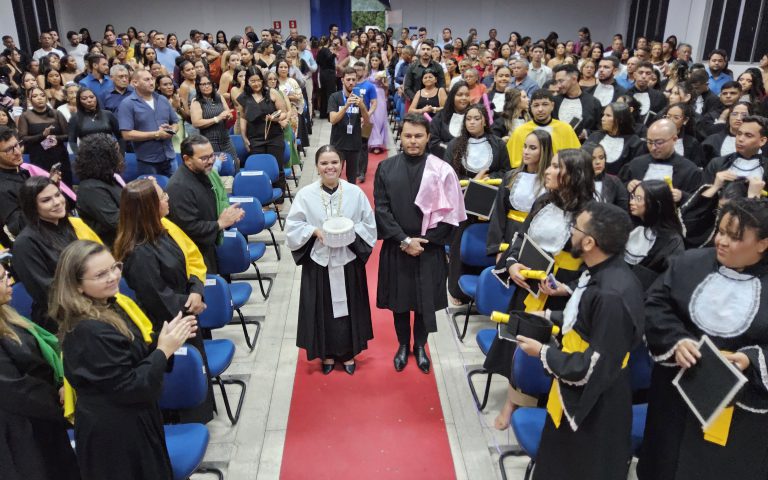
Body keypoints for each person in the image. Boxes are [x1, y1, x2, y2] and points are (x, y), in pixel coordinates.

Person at [639, 198, 768, 479]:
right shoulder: (689, 262)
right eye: (720, 231)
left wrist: (750, 358)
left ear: (762, 243)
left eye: (734, 237)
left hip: (738, 408)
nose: (722, 241)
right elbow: (655, 304)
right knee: (665, 463)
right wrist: (676, 340)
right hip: (676, 394)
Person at [515, 201, 643, 480]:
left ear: (589, 242)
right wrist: (549, 316)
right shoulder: (601, 272)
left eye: (575, 227)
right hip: (575, 390)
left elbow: (594, 366)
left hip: (594, 406)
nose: (570, 231)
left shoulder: (612, 294)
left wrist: (542, 352)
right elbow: (586, 321)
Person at [52, 240, 196, 480]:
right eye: (101, 274)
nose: (112, 277)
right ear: (77, 285)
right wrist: (163, 350)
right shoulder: (88, 330)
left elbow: (133, 355)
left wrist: (162, 341)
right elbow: (130, 385)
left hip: (133, 419)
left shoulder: (110, 305)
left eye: (114, 267)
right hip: (114, 434)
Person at [485, 148, 594, 430]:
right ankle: (513, 401)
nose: (548, 170)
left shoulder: (591, 213)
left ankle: (548, 404)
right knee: (520, 345)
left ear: (574, 175)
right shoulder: (544, 200)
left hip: (562, 296)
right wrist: (512, 264)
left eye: (556, 167)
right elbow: (521, 238)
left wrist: (567, 288)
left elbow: (597, 266)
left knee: (552, 351)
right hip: (530, 285)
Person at [374, 113, 465, 373]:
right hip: (397, 246)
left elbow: (451, 214)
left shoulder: (442, 169)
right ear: (401, 137)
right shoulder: (386, 168)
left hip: (429, 248)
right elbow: (381, 209)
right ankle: (403, 345)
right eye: (408, 136)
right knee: (399, 302)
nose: (413, 141)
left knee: (425, 303)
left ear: (428, 138)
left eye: (418, 136)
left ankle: (421, 346)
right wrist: (404, 240)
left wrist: (423, 242)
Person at [285, 146, 376, 374]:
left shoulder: (354, 193)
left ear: (342, 164)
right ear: (317, 166)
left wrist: (348, 231)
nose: (330, 167)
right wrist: (314, 231)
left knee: (350, 308)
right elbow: (293, 226)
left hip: (347, 259)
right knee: (322, 308)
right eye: (324, 163)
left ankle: (348, 353)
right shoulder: (305, 195)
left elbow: (368, 224)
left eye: (334, 162)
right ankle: (325, 354)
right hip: (320, 261)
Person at [0, 259, 81, 480]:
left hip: (41, 421)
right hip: (20, 434)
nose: (10, 280)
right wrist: (61, 401)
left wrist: (61, 385)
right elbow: (16, 390)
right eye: (2, 278)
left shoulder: (9, 315)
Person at [12, 177, 101, 331]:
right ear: (32, 206)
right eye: (46, 200)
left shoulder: (70, 225)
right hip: (62, 315)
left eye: (58, 195)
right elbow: (47, 292)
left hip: (94, 297)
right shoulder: (25, 244)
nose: (57, 202)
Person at [166, 135, 244, 273]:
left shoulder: (206, 173)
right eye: (204, 158)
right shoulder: (178, 187)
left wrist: (228, 216)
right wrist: (219, 224)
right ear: (187, 159)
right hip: (193, 255)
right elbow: (189, 228)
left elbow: (218, 200)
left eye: (212, 156)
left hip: (209, 247)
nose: (211, 161)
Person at [487, 129, 551, 256]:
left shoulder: (551, 181)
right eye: (525, 146)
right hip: (510, 235)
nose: (526, 152)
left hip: (537, 240)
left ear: (544, 151)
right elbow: (498, 214)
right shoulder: (510, 177)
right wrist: (497, 248)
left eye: (532, 148)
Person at [622, 119, 703, 203]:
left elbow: (699, 202)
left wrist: (683, 196)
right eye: (649, 142)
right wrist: (628, 185)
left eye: (659, 143)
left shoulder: (690, 170)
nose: (653, 147)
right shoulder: (636, 164)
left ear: (674, 139)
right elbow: (619, 191)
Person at [237, 66, 288, 200]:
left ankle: (279, 198)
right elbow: (243, 117)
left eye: (258, 80)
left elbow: (283, 113)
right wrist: (244, 137)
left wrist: (275, 118)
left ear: (262, 80)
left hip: (274, 135)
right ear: (247, 81)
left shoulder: (272, 93)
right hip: (255, 137)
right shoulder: (243, 97)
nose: (256, 84)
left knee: (277, 167)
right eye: (252, 81)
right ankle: (261, 199)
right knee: (258, 169)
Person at [118, 69, 179, 176]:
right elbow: (127, 134)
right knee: (152, 187)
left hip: (170, 156)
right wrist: (156, 134)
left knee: (175, 186)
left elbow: (175, 123)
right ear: (135, 83)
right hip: (148, 161)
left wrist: (171, 130)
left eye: (152, 79)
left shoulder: (162, 99)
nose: (151, 82)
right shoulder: (127, 104)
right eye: (146, 80)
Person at [625, 180, 685, 289]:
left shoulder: (672, 241)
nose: (631, 202)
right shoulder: (629, 225)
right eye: (632, 197)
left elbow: (669, 279)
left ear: (656, 204)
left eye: (638, 198)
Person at [505, 89, 581, 168]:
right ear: (531, 107)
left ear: (552, 106)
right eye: (536, 105)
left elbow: (576, 159)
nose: (540, 109)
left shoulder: (565, 129)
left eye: (545, 104)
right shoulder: (520, 131)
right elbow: (511, 163)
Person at [74, 134, 124, 247]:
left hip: (124, 238)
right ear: (103, 159)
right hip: (110, 246)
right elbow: (117, 222)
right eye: (116, 152)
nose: (120, 156)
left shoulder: (110, 178)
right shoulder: (90, 188)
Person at [18, 87, 72, 185]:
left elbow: (68, 135)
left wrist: (56, 138)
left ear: (46, 98)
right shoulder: (25, 116)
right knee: (43, 186)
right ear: (29, 100)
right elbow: (23, 139)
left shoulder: (56, 113)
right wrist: (42, 135)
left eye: (42, 95)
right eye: (35, 96)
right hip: (38, 157)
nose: (39, 98)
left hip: (59, 155)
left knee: (64, 186)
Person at [328, 68, 369, 185]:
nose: (351, 82)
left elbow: (367, 122)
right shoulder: (335, 97)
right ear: (342, 80)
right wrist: (346, 106)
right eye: (348, 79)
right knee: (334, 177)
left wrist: (362, 106)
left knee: (352, 180)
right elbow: (333, 119)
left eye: (353, 80)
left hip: (354, 144)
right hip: (338, 144)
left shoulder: (359, 99)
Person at [702, 115, 768, 186]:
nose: (740, 139)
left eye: (748, 135)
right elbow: (701, 192)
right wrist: (715, 187)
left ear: (762, 141)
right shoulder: (716, 163)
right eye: (739, 134)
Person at [190, 74, 238, 166]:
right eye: (203, 84)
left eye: (209, 83)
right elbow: (196, 123)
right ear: (198, 86)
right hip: (209, 143)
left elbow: (228, 112)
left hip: (226, 140)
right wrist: (217, 118)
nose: (207, 86)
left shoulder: (219, 97)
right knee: (214, 169)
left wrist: (229, 116)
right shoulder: (196, 102)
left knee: (234, 165)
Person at [586, 101, 645, 175]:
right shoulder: (595, 136)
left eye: (608, 115)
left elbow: (633, 170)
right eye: (603, 115)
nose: (603, 119)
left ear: (620, 120)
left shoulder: (634, 142)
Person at [552, 63, 602, 138]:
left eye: (561, 81)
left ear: (574, 79)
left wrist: (586, 133)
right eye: (557, 82)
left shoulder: (593, 102)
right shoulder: (554, 101)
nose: (558, 85)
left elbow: (600, 130)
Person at [67, 87, 121, 155]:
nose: (89, 100)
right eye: (84, 98)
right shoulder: (75, 118)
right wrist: (79, 155)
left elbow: (120, 136)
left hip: (110, 153)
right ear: (79, 101)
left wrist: (121, 154)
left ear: (96, 98)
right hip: (87, 155)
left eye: (92, 97)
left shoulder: (108, 114)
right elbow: (72, 141)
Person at [0, 127, 30, 244]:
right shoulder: (2, 189)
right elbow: (19, 228)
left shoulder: (20, 170)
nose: (17, 152)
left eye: (17, 145)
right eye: (8, 150)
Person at [428, 81, 471, 158]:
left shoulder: (473, 116)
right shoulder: (440, 117)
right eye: (460, 95)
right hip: (445, 159)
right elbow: (434, 143)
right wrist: (452, 149)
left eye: (467, 95)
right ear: (452, 97)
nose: (464, 98)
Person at [583, 141, 628, 210]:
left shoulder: (614, 181)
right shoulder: (576, 182)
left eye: (601, 158)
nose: (598, 162)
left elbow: (623, 210)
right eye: (592, 159)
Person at [661, 102, 706, 167]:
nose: (670, 120)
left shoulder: (692, 143)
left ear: (685, 120)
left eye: (676, 118)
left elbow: (695, 167)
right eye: (668, 116)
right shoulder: (654, 136)